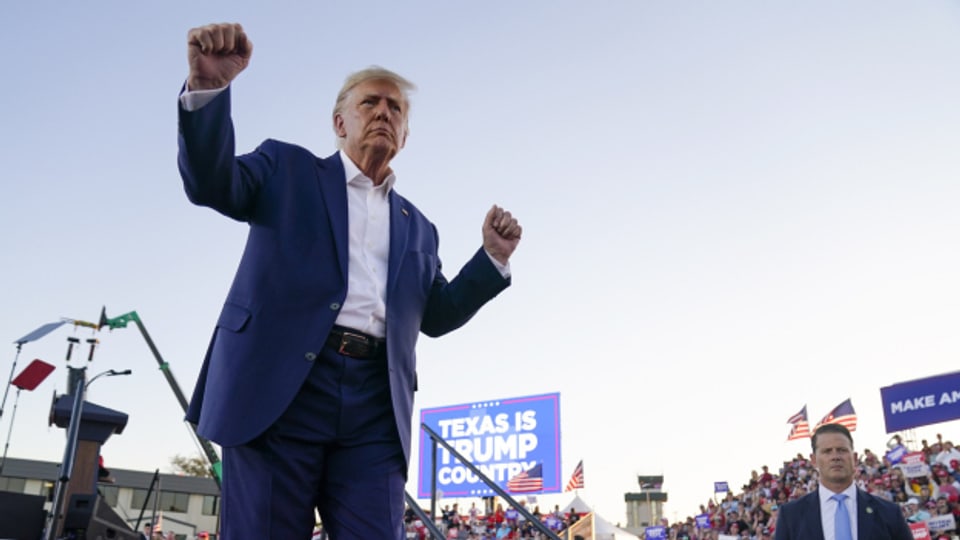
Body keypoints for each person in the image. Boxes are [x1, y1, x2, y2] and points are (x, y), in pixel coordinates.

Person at [178, 22, 521, 540]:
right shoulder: (285, 169)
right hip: (278, 393)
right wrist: (209, 90)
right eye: (371, 103)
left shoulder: (419, 228)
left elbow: (437, 316)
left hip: (374, 406)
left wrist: (491, 260)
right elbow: (211, 182)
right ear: (339, 121)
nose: (384, 112)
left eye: (396, 108)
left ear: (405, 136)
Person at [774, 423, 912, 540]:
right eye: (827, 451)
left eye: (842, 450)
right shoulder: (791, 515)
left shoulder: (889, 512)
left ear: (855, 458)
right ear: (814, 460)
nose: (835, 457)